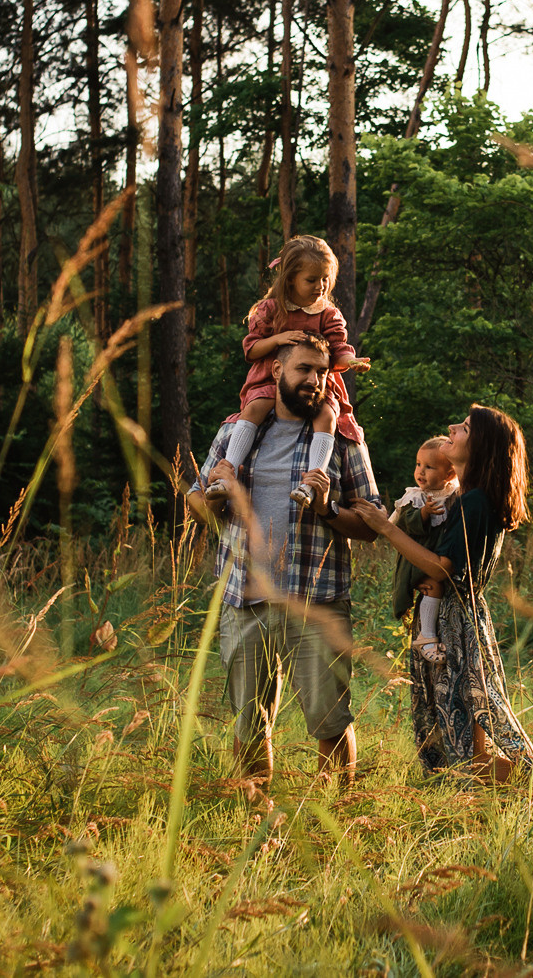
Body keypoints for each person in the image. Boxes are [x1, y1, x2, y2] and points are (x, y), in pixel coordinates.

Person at [189, 333, 382, 801]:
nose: (314, 380)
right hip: (244, 599)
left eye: (321, 371)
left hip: (316, 602)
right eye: (304, 369)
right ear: (276, 371)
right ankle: (259, 816)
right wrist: (217, 498)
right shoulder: (237, 431)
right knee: (250, 724)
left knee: (329, 720)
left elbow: (373, 521)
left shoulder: (341, 440)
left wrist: (327, 509)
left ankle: (340, 815)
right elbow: (197, 497)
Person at [350, 405, 533, 782]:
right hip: (456, 616)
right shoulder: (469, 496)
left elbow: (440, 568)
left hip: (455, 621)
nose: (452, 427)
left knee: (466, 740)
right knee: (462, 729)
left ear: (481, 445)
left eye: (465, 428)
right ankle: (482, 794)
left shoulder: (474, 501)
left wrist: (384, 528)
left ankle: (529, 783)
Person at [209, 235, 369, 508]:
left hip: (316, 383)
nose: (321, 286)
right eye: (312, 280)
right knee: (254, 409)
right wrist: (278, 340)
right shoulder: (271, 309)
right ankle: (227, 472)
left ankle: (311, 482)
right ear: (291, 278)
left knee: (328, 415)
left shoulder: (328, 313)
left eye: (325, 279)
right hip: (270, 377)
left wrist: (350, 361)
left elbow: (338, 348)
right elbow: (251, 350)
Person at [386, 436, 459, 658]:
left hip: (438, 558)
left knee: (438, 585)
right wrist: (424, 513)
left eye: (429, 467)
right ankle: (426, 637)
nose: (421, 471)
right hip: (416, 559)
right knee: (433, 585)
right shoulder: (415, 497)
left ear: (449, 475)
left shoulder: (452, 494)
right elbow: (406, 523)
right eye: (418, 464)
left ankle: (428, 634)